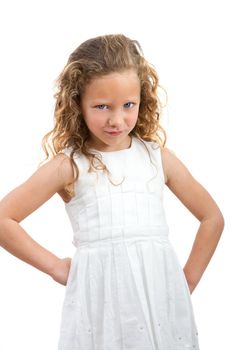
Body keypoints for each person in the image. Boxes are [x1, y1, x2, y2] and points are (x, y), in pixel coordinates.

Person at [0, 34, 224, 350]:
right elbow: (4, 218)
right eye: (102, 106)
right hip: (99, 306)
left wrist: (187, 279)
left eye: (128, 105)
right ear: (77, 102)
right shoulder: (70, 165)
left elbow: (211, 217)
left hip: (159, 300)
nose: (116, 120)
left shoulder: (156, 157)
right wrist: (55, 267)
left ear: (141, 99)